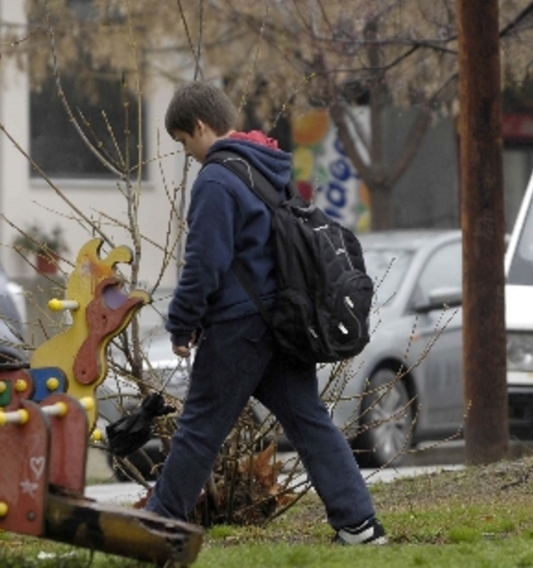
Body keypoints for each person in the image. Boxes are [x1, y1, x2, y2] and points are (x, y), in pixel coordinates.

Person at [143, 81, 387, 545]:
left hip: (239, 327)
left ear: (199, 126)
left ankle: (157, 526)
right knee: (309, 422)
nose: (188, 153)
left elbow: (204, 262)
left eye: (184, 141)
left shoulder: (216, 178)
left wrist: (182, 322)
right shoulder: (266, 165)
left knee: (198, 428)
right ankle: (359, 525)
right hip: (280, 321)